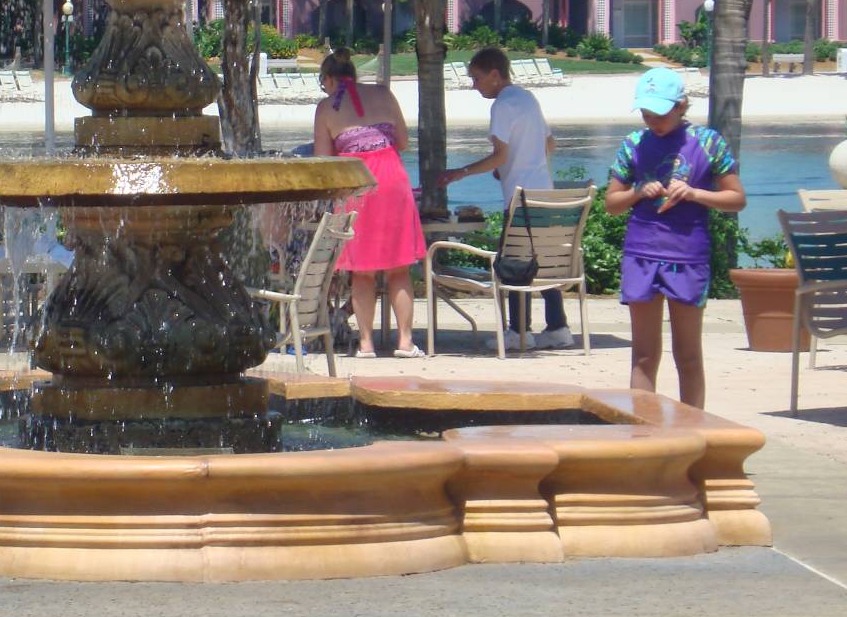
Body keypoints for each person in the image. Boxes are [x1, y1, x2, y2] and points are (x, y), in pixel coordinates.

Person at [604, 67, 746, 409]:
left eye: (661, 113)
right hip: (641, 251)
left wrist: (697, 194)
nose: (654, 121)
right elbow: (611, 204)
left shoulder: (708, 142)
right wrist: (638, 191)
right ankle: (643, 434)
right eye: (647, 113)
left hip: (687, 254)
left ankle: (694, 432)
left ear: (682, 106)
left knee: (688, 354)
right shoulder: (634, 144)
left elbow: (736, 199)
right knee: (643, 355)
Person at [442, 46, 572, 351]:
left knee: (514, 263)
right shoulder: (528, 98)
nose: (474, 85)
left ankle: (518, 332)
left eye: (477, 78)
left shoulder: (502, 105)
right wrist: (514, 165)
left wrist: (460, 172)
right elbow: (549, 145)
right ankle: (558, 327)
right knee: (544, 261)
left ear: (494, 75)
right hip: (545, 194)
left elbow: (499, 154)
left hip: (521, 199)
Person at [312, 48, 425, 358]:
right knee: (398, 268)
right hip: (392, 179)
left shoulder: (326, 108)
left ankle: (365, 343)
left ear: (330, 79)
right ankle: (404, 342)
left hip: (355, 183)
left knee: (361, 271)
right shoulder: (383, 94)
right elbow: (402, 142)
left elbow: (323, 160)